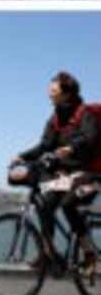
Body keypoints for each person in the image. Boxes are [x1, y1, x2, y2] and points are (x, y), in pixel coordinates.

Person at [13, 71, 99, 275]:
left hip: (91, 175)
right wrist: (22, 156)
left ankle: (89, 254)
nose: (49, 93)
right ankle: (49, 254)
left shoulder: (84, 113)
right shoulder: (55, 119)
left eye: (53, 90)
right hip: (66, 176)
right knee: (45, 203)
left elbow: (91, 137)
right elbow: (45, 145)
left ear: (66, 93)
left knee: (68, 204)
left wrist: (71, 148)